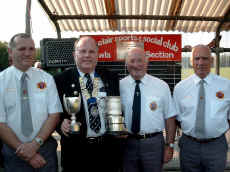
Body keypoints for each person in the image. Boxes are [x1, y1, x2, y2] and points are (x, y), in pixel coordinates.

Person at [54, 36, 121, 172]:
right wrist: (60, 123)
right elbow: (52, 112)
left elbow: (117, 108)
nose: (87, 55)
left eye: (91, 52)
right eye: (82, 51)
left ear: (97, 54)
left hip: (107, 151)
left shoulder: (111, 77)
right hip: (76, 152)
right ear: (74, 54)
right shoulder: (60, 80)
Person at [0, 33, 63, 172]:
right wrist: (25, 152)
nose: (27, 53)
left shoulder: (47, 79)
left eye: (31, 49)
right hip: (14, 153)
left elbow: (54, 115)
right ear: (10, 52)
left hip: (45, 150)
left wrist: (35, 145)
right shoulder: (1, 81)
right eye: (22, 49)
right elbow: (0, 123)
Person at [173, 44, 230, 172]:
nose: (201, 62)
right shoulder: (180, 88)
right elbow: (176, 119)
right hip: (189, 146)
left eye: (205, 58)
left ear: (212, 61)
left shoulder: (226, 86)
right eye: (197, 58)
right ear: (191, 61)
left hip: (216, 146)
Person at [120, 47, 177, 172]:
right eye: (132, 61)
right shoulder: (120, 86)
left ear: (147, 61)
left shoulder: (161, 86)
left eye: (139, 60)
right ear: (126, 63)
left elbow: (170, 117)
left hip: (154, 144)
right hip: (127, 143)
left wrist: (170, 145)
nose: (136, 65)